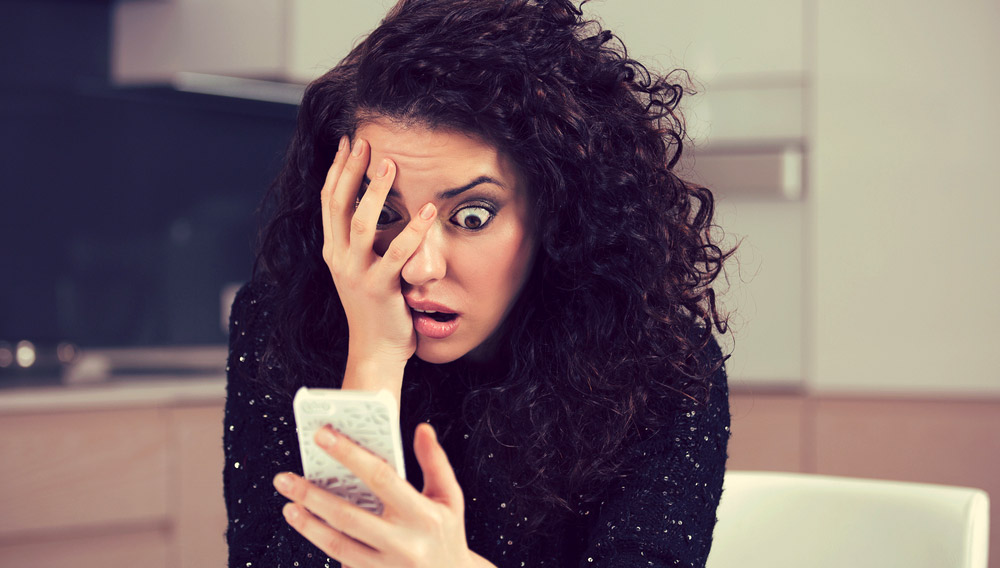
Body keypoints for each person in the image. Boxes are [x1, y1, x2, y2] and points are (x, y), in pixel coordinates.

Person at [223, 0, 733, 566]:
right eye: (383, 213)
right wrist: (371, 361)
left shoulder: (663, 365)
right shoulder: (280, 320)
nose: (418, 267)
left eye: (472, 216)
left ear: (555, 212)